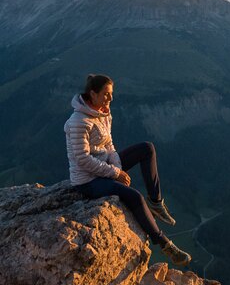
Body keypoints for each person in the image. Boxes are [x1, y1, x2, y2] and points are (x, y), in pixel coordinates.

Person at [64, 73, 191, 267]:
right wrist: (115, 173)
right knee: (134, 197)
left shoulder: (103, 113)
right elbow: (82, 160)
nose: (111, 98)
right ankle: (165, 244)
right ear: (93, 94)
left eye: (111, 93)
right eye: (106, 94)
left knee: (146, 148)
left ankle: (156, 202)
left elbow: (110, 146)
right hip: (88, 181)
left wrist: (116, 166)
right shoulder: (78, 122)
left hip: (105, 168)